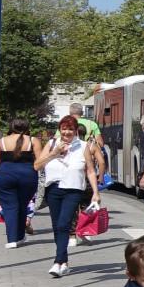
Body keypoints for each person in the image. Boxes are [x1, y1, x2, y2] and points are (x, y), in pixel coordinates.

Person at [34, 115, 92, 277]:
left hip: (73, 190)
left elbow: (90, 170)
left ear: (76, 131)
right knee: (56, 226)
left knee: (63, 224)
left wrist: (95, 192)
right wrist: (54, 153)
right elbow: (37, 166)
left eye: (70, 129)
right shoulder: (52, 144)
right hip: (53, 189)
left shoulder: (83, 146)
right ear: (59, 130)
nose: (66, 132)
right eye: (64, 129)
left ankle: (57, 261)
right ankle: (64, 262)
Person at [0, 119, 40, 251]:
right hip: (27, 175)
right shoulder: (33, 140)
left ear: (11, 127)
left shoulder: (2, 141)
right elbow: (39, 160)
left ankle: (12, 239)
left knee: (10, 207)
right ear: (27, 127)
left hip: (5, 174)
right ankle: (20, 236)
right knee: (23, 205)